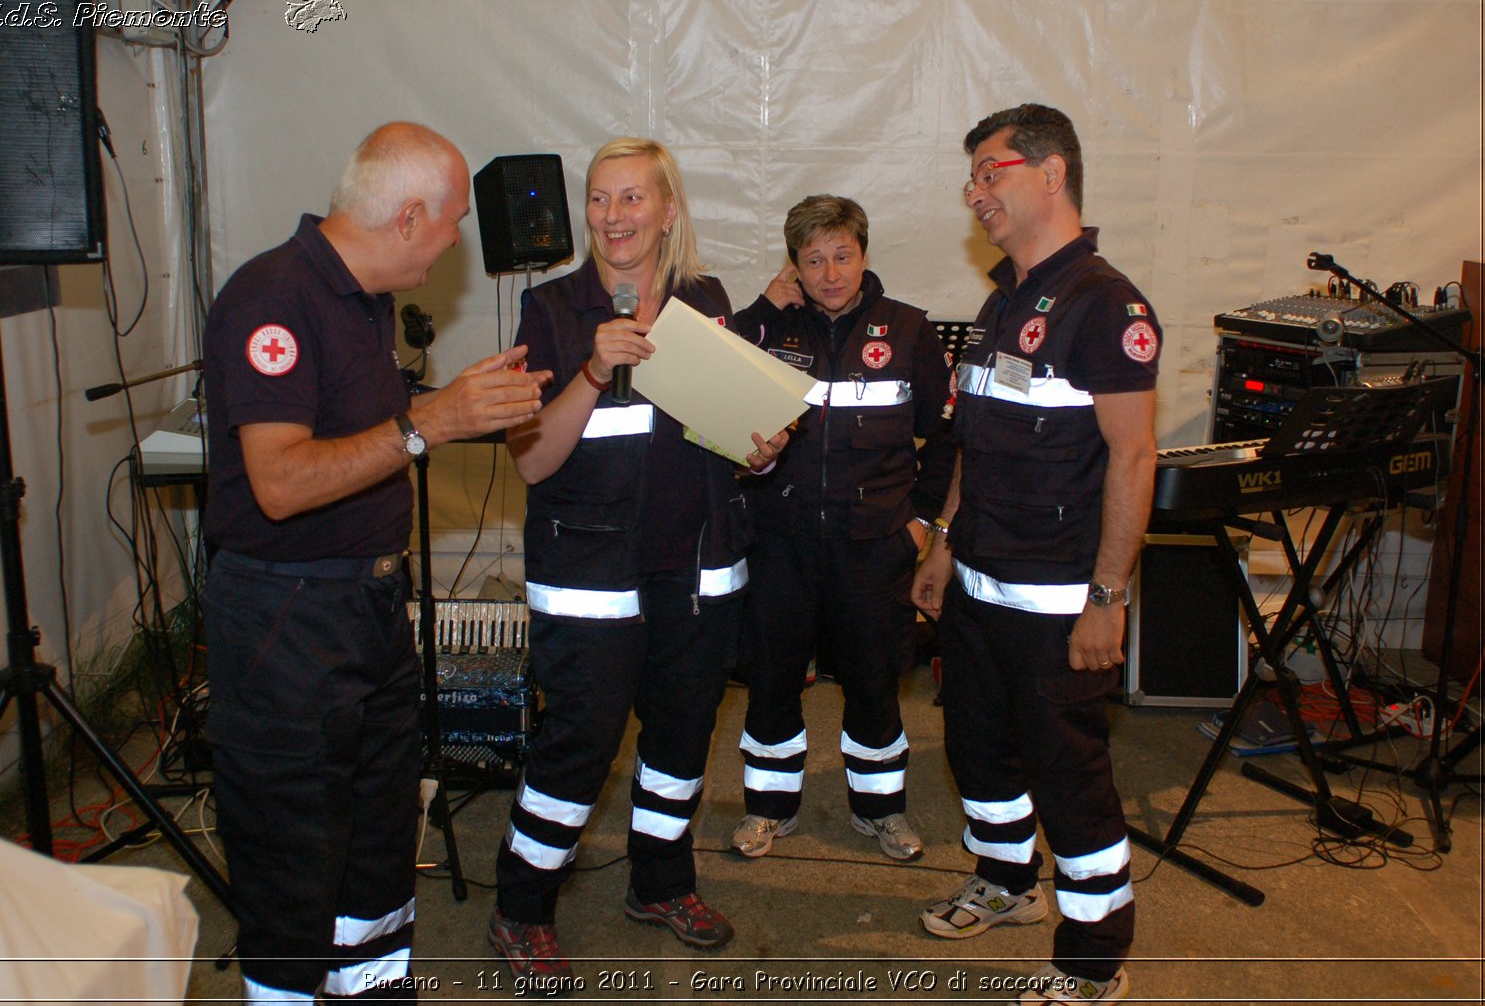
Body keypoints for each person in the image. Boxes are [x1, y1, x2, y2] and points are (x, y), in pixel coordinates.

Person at [202, 122, 549, 1002]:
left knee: (379, 829)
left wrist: (460, 403)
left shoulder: (365, 300)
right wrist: (434, 422)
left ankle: (372, 987)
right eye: (451, 221)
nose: (455, 241)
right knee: (292, 842)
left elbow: (366, 429)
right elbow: (279, 482)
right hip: (288, 621)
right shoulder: (273, 298)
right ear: (406, 218)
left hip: (367, 613)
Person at [492, 137, 786, 983]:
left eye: (631, 199)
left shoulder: (706, 300)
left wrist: (755, 450)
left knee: (682, 739)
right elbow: (534, 462)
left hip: (696, 572)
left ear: (667, 211)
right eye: (598, 198)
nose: (614, 216)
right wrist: (591, 368)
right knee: (578, 748)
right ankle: (522, 907)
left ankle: (661, 884)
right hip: (590, 579)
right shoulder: (553, 308)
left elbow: (717, 433)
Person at [911, 104, 1160, 1005]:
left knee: (1069, 776)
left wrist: (1108, 595)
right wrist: (941, 540)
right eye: (972, 175)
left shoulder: (1107, 304)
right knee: (977, 751)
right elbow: (976, 438)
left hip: (1060, 599)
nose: (975, 191)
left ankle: (1094, 960)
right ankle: (1006, 881)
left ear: (1051, 174)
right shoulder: (1001, 299)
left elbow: (1134, 455)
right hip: (977, 582)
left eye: (991, 170)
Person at [727, 195, 955, 862]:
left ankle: (880, 812)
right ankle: (768, 809)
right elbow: (714, 390)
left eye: (843, 256)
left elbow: (946, 442)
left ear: (864, 254)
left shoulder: (909, 331)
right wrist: (765, 313)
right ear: (793, 265)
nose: (830, 272)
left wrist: (919, 526)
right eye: (813, 259)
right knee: (771, 681)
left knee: (875, 686)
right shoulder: (768, 329)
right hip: (779, 544)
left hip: (873, 548)